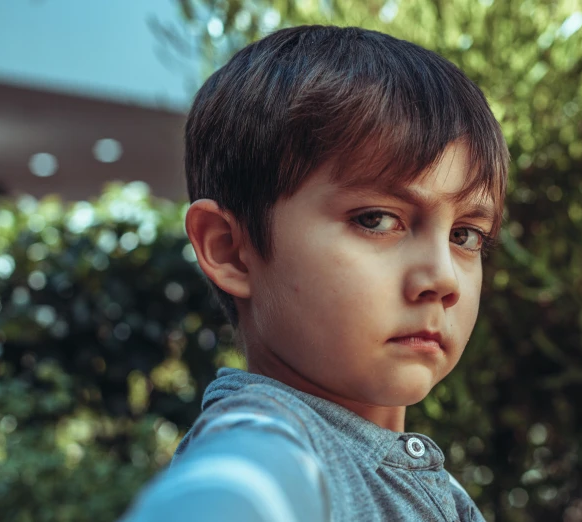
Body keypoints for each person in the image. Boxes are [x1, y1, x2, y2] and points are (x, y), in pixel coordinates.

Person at [120, 24, 508, 522]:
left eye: (466, 236)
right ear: (231, 250)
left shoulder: (414, 481)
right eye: (376, 220)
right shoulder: (272, 443)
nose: (444, 278)